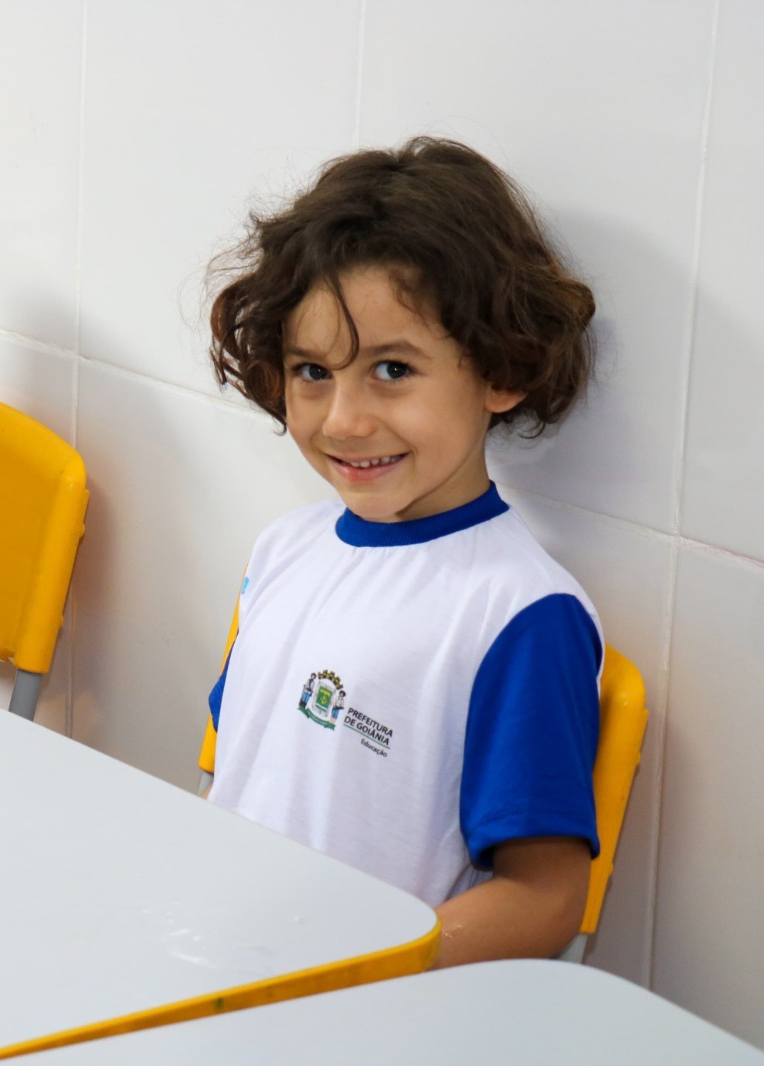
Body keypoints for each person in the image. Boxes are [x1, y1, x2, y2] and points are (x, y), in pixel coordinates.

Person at [196, 137, 601, 968]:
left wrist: (351, 974)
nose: (344, 420)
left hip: (356, 1007)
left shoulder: (520, 614)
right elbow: (242, 775)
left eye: (391, 369)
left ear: (502, 371)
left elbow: (545, 899)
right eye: (313, 371)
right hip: (228, 969)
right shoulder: (285, 548)